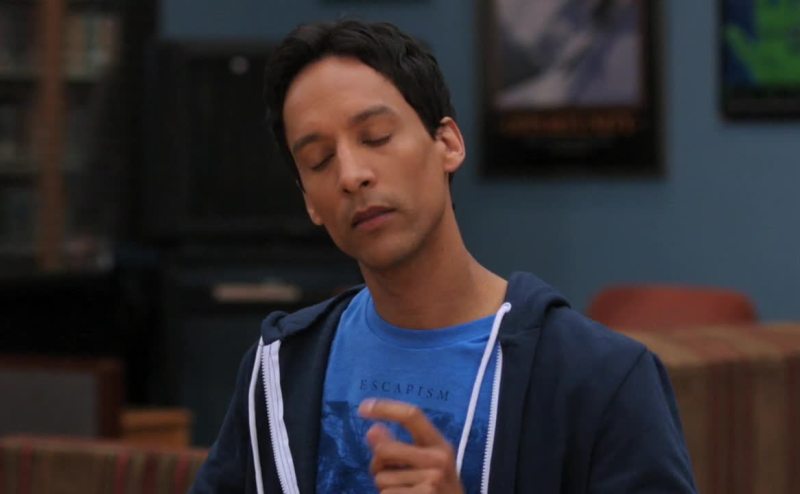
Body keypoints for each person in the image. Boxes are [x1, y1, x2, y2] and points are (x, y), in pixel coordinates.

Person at [190, 20, 696, 494]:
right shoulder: (280, 369)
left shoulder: (598, 378)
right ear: (309, 203)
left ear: (448, 144)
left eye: (376, 137)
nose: (351, 175)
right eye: (319, 160)